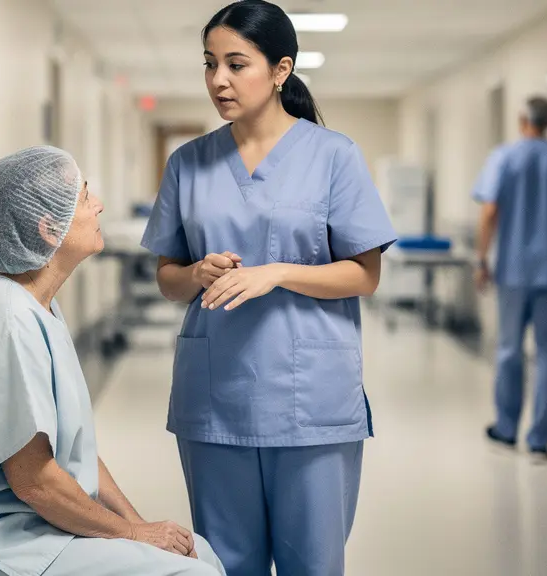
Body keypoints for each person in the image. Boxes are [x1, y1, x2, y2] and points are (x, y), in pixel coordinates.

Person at [0, 146, 226, 576]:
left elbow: (76, 454)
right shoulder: (5, 319)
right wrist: (134, 537)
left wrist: (140, 527)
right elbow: (36, 482)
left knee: (196, 552)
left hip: (9, 524)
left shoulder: (36, 306)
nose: (99, 206)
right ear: (49, 228)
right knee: (193, 573)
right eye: (85, 196)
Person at [140, 2, 398, 574]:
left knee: (313, 563)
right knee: (228, 564)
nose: (219, 80)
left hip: (310, 400)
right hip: (216, 397)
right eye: (209, 64)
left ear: (281, 70)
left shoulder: (334, 156)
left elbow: (365, 274)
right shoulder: (188, 163)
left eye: (236, 63)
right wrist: (196, 274)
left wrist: (277, 271)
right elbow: (167, 278)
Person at [472, 96, 547, 461]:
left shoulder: (504, 158)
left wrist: (482, 259)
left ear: (521, 119)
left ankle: (507, 429)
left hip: (512, 272)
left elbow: (489, 211)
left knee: (509, 351)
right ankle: (540, 439)